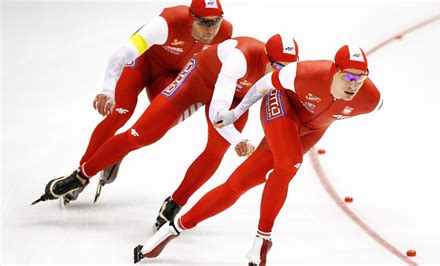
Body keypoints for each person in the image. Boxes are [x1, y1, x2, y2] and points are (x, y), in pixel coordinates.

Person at [32, 33, 301, 240]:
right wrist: (238, 140)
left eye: (287, 68)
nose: (281, 73)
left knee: (215, 152)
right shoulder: (240, 58)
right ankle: (81, 175)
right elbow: (218, 111)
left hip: (235, 97)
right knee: (142, 135)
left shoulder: (283, 76)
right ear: (265, 57)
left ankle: (175, 203)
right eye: (276, 66)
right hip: (197, 81)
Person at [133, 45, 383, 265]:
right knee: (288, 165)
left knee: (238, 183)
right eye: (348, 76)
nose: (353, 84)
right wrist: (236, 111)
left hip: (311, 131)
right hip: (282, 108)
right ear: (334, 70)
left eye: (360, 78)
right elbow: (263, 85)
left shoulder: (371, 100)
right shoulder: (304, 73)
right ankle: (263, 239)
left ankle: (174, 228)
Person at [62, 0, 233, 204]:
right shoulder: (166, 23)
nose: (211, 30)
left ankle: (118, 150)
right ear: (190, 18)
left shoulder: (225, 33)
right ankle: (81, 176)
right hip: (142, 64)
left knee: (154, 126)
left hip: (173, 75)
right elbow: (121, 54)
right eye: (205, 23)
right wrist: (108, 90)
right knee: (120, 112)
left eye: (216, 22)